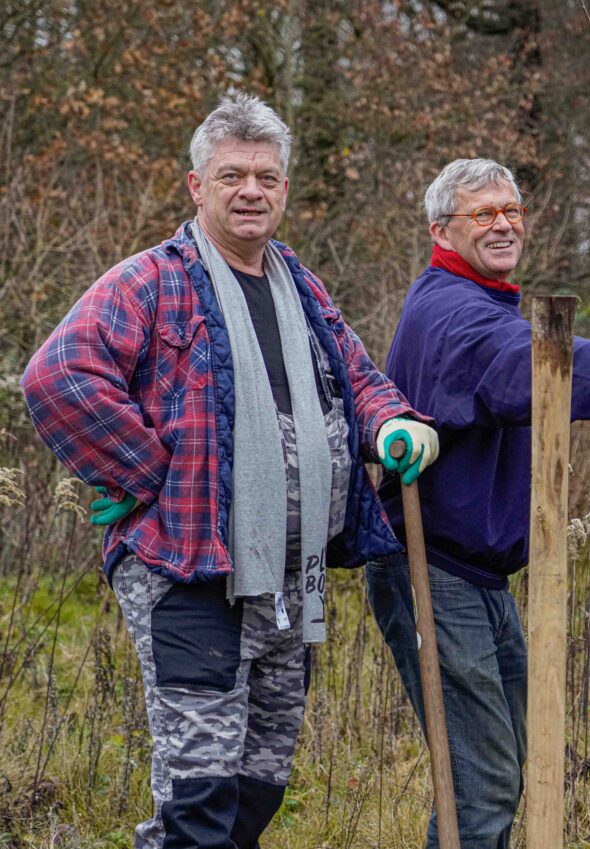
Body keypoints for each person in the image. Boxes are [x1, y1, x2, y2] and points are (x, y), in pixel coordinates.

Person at [21, 92, 435, 849]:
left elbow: (357, 378)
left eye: (267, 176)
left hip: (287, 577)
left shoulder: (300, 286)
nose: (252, 190)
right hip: (188, 571)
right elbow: (58, 375)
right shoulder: (150, 281)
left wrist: (396, 425)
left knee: (258, 788)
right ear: (197, 184)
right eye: (233, 174)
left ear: (284, 188)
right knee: (200, 797)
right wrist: (143, 472)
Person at [364, 158, 590, 848]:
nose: (505, 223)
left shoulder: (478, 301)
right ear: (440, 228)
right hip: (433, 571)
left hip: (477, 576)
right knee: (481, 784)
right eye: (485, 213)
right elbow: (534, 363)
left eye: (513, 210)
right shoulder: (454, 315)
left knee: (504, 765)